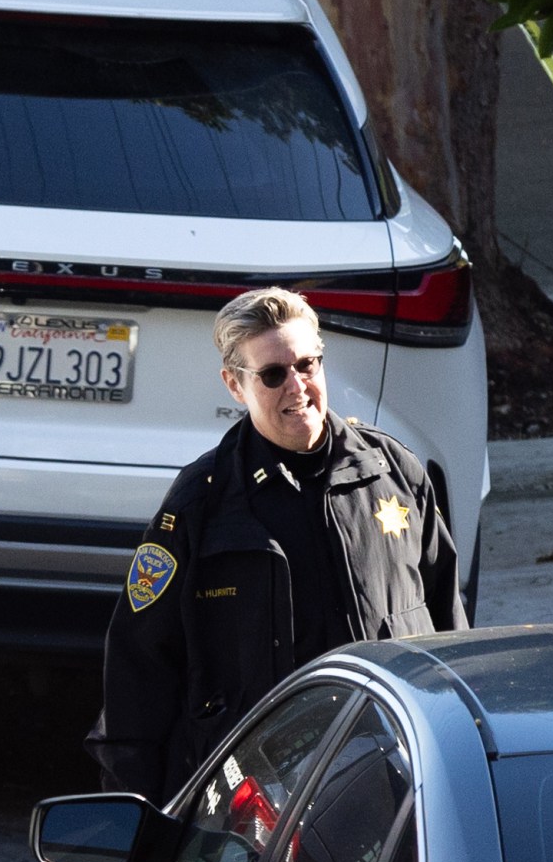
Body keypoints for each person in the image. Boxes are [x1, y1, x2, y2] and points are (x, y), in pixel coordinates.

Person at [91, 288, 463, 804]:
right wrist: (136, 818)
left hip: (397, 778)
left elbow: (452, 637)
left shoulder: (395, 473)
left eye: (307, 364)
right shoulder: (204, 504)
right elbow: (139, 670)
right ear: (235, 385)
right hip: (262, 800)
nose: (298, 386)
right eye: (273, 375)